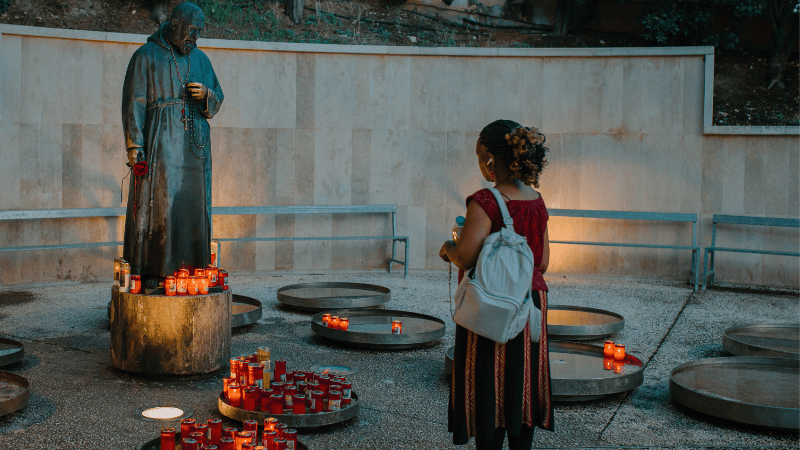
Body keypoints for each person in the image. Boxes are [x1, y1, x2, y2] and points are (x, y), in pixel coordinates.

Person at [439, 119, 554, 449]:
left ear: (490, 158)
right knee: (524, 383)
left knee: (488, 381)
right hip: (531, 303)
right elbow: (543, 262)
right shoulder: (536, 200)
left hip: (491, 303)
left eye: (479, 155)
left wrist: (448, 249)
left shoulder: (484, 201)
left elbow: (466, 256)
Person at [121, 2, 224, 285]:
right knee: (158, 206)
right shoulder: (146, 56)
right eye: (192, 31)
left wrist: (206, 94)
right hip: (160, 144)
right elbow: (134, 103)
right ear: (176, 23)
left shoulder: (201, 60)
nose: (195, 38)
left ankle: (192, 273)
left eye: (199, 33)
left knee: (192, 206)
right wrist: (134, 146)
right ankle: (153, 273)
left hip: (195, 148)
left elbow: (217, 98)